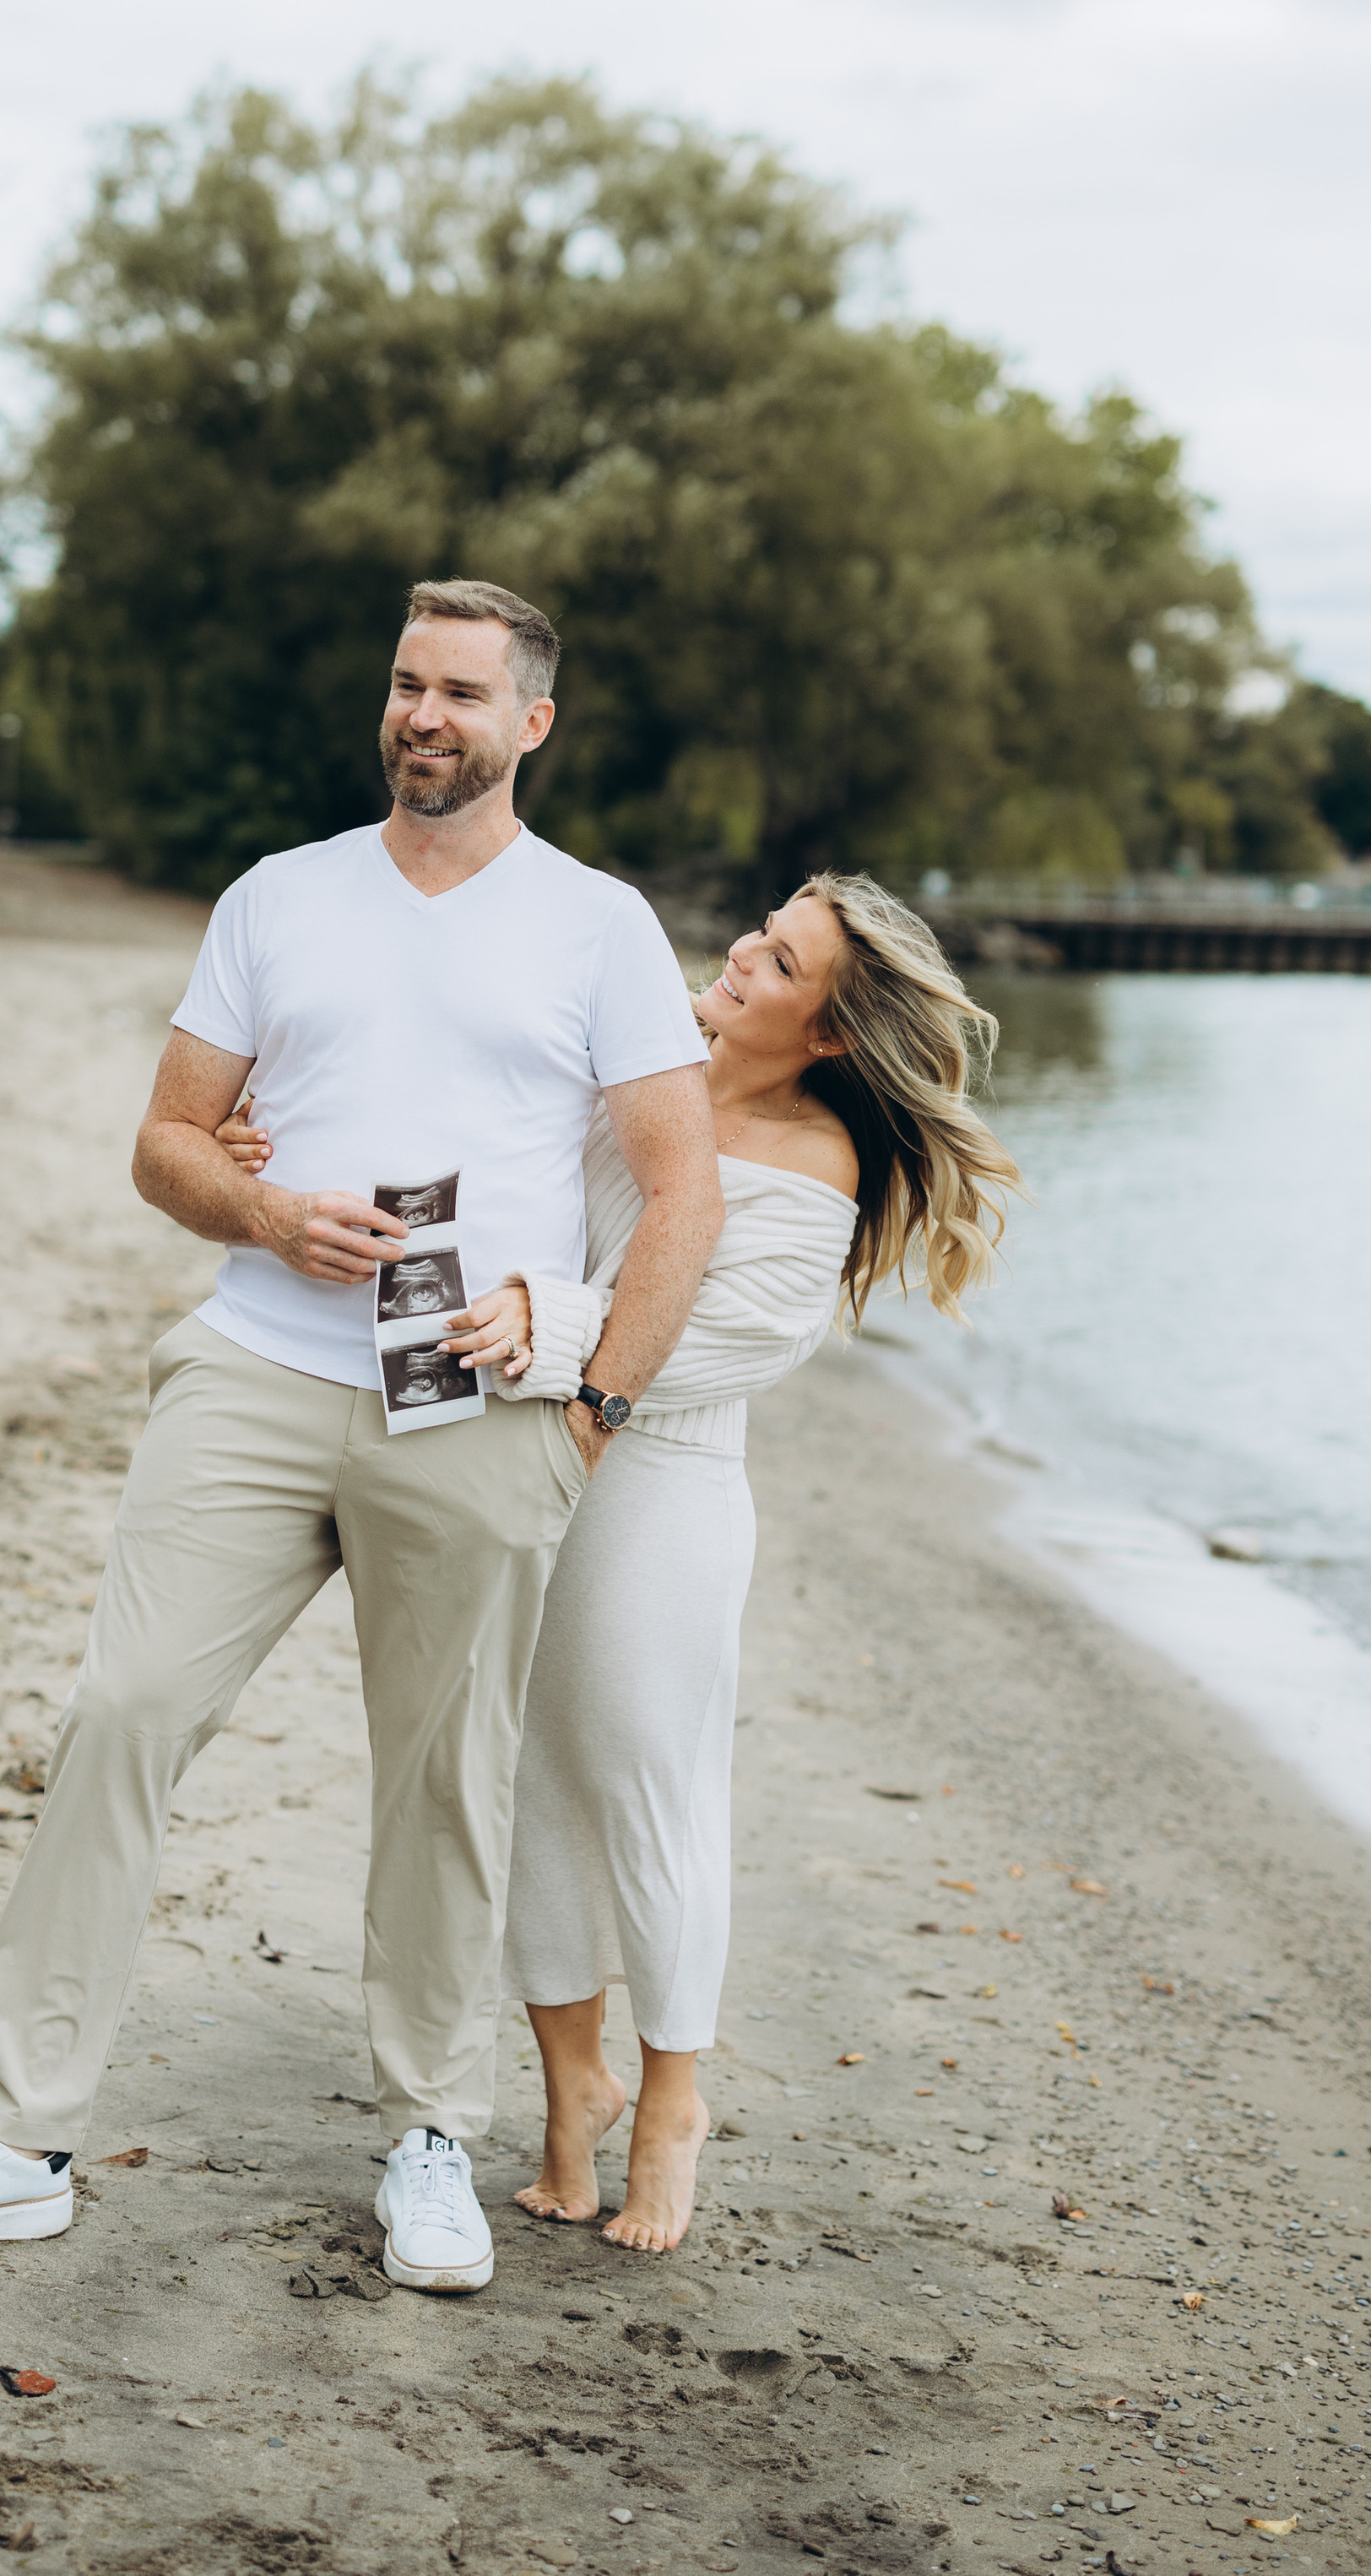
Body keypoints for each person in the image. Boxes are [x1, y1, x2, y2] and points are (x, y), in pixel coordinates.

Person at [0, 581, 722, 2292]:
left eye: (460, 689)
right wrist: (260, 1211)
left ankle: (430, 2139)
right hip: (251, 1371)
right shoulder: (278, 897)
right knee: (121, 1713)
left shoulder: (595, 928)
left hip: (468, 1410)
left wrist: (593, 1407)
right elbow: (163, 1143)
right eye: (404, 682)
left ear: (532, 721)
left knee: (442, 1783)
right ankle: (17, 2139)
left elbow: (683, 1191)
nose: (422, 714)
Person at [226, 874, 1019, 2253]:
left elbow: (735, 1343)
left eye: (777, 961)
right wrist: (278, 1148)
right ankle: (570, 2088)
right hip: (519, 1453)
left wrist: (546, 1318)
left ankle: (671, 2097)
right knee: (525, 1776)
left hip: (661, 1486)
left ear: (830, 1030)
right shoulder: (638, 1080)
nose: (739, 955)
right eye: (761, 934)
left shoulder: (816, 1155)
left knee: (650, 1784)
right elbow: (476, 1167)